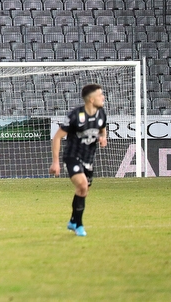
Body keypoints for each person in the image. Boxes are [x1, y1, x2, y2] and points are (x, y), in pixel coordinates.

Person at [50, 83, 108, 237]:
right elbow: (57, 137)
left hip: (88, 159)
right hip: (72, 157)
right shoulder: (75, 115)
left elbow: (103, 129)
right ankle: (79, 225)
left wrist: (103, 138)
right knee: (82, 185)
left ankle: (73, 220)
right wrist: (55, 162)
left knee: (83, 190)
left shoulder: (101, 114)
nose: (103, 98)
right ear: (91, 99)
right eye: (100, 95)